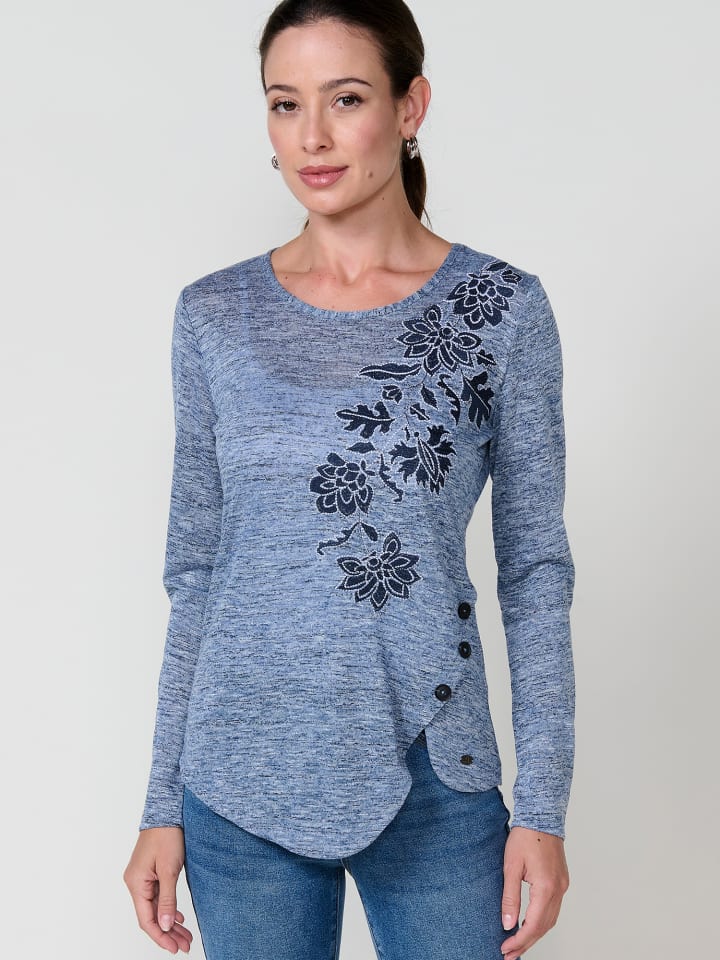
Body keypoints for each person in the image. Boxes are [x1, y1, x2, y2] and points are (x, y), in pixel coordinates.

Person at [123, 2, 576, 958]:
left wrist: (543, 806)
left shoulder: (501, 310)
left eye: (347, 99)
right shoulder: (212, 316)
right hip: (236, 779)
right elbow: (196, 572)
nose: (312, 137)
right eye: (285, 103)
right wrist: (161, 801)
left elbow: (536, 571)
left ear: (411, 107)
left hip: (434, 773)